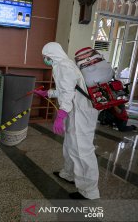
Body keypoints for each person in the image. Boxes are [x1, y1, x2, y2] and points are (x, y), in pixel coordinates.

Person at [34, 42, 100, 200]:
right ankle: (69, 174)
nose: (45, 60)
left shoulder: (63, 66)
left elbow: (68, 96)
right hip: (76, 111)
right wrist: (47, 93)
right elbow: (66, 89)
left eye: (45, 57)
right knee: (71, 145)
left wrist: (61, 115)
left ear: (51, 55)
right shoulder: (63, 64)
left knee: (82, 150)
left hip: (82, 113)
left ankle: (89, 191)